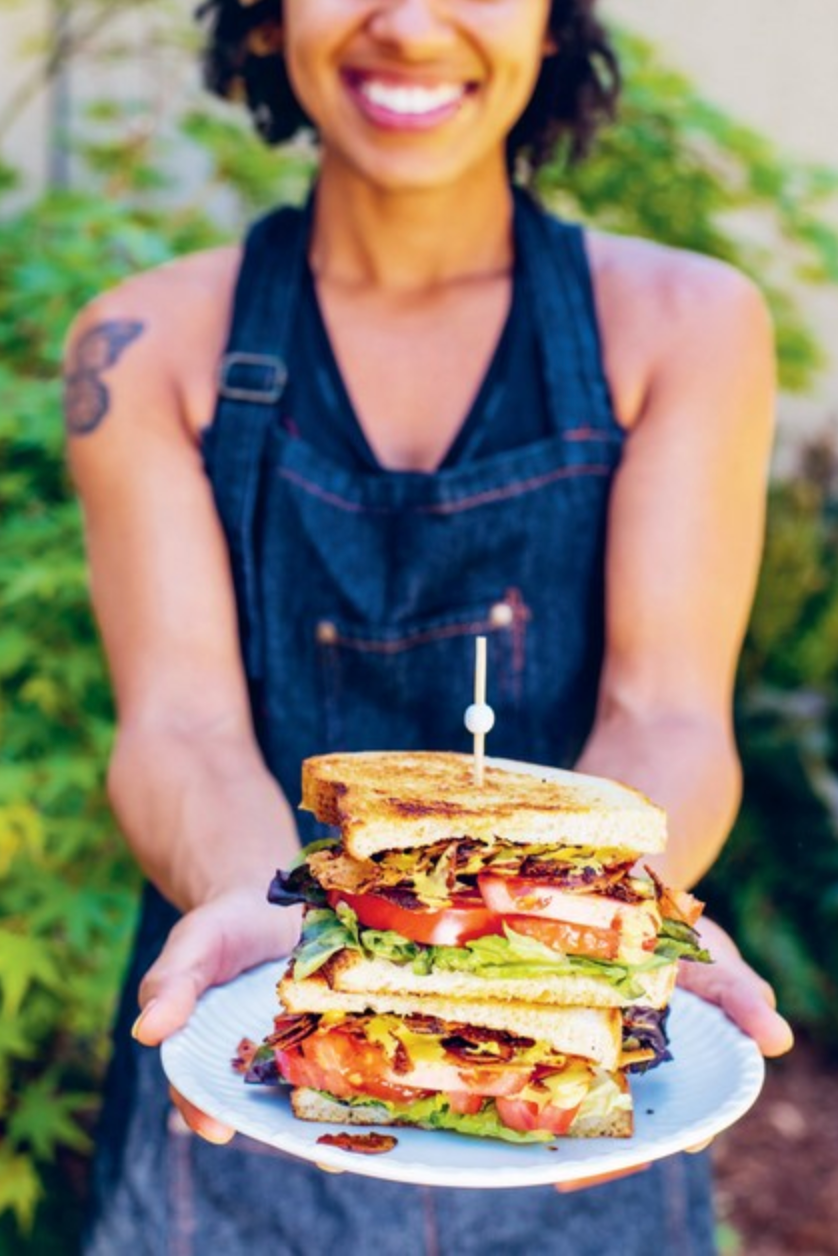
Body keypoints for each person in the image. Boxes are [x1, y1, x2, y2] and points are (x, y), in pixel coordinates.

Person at [65, 1, 793, 1252]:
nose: (408, 22)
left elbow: (665, 711)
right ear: (263, 20)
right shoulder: (144, 348)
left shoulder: (688, 324)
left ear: (554, 23)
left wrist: (589, 927)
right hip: (247, 1047)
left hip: (585, 1090)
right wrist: (261, 896)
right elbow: (178, 721)